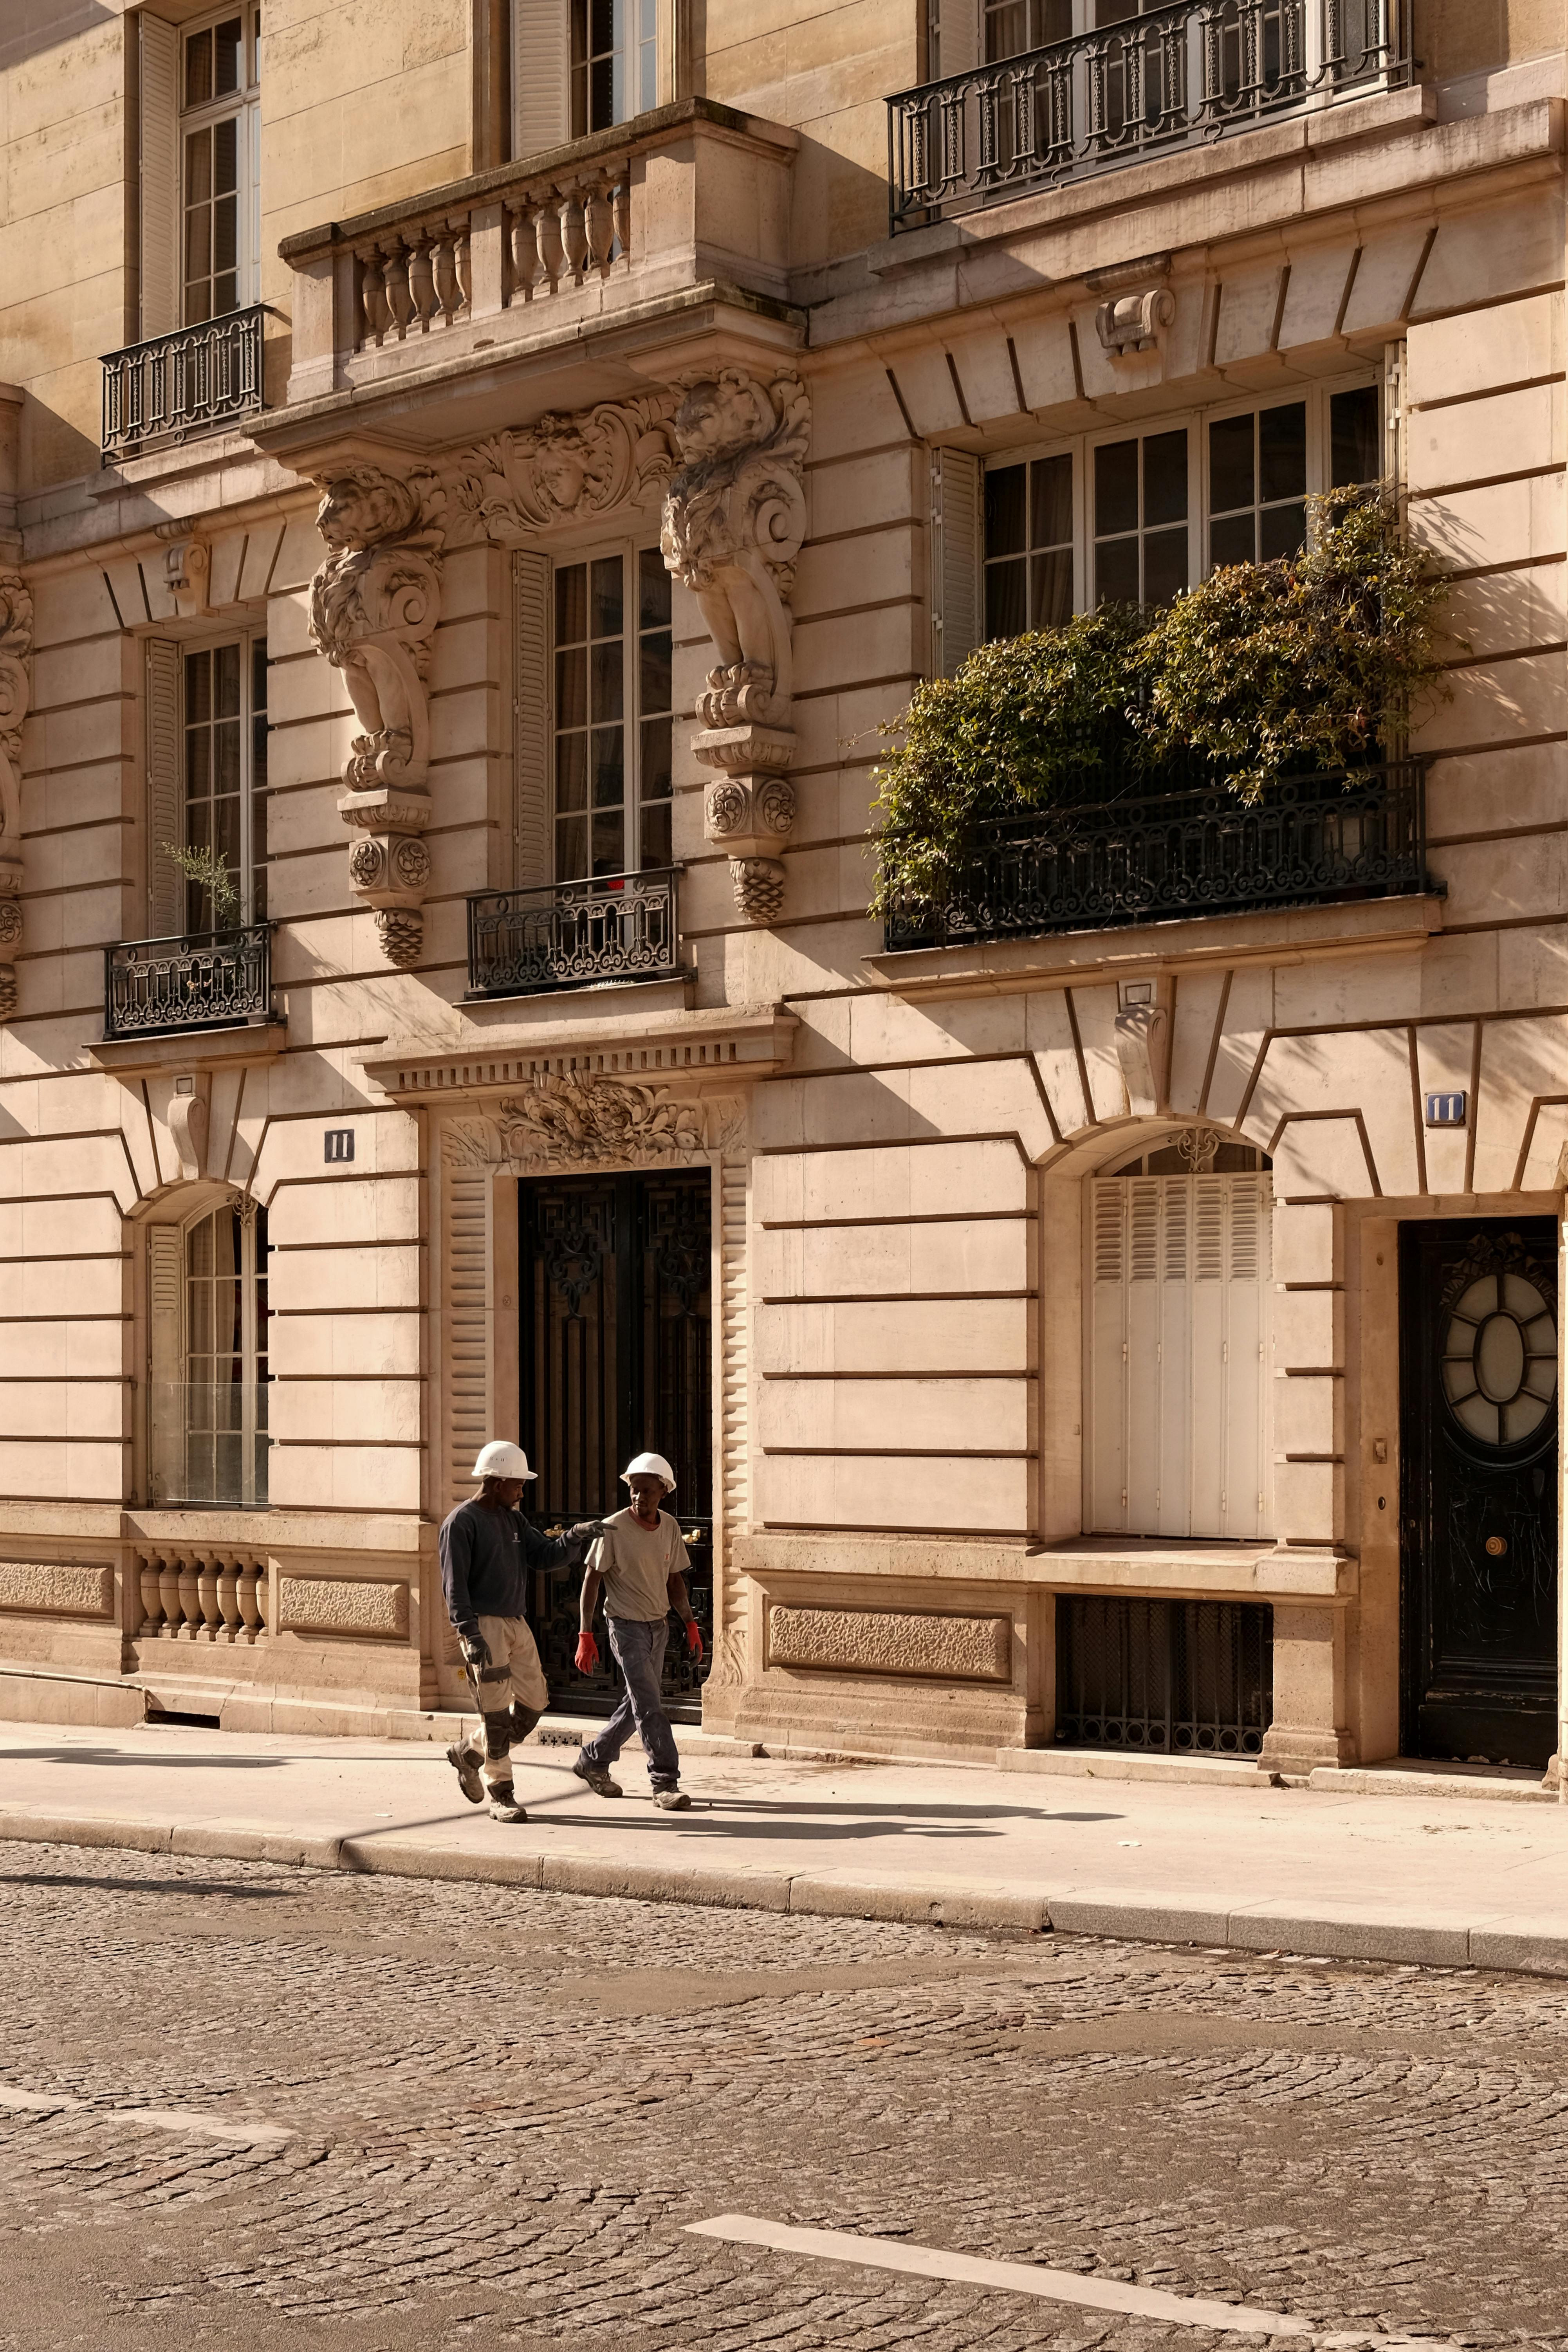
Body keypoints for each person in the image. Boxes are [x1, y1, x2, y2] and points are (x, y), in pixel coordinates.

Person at [439, 1441, 601, 1822]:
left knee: (534, 1703)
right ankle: (502, 1793)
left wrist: (574, 1536)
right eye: (518, 1483)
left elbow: (544, 1556)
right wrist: (471, 1635)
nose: (522, 1490)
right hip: (483, 1626)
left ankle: (470, 1752)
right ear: (497, 1482)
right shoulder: (461, 1523)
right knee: (496, 1714)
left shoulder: (513, 1520)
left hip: (516, 1621)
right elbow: (454, 1586)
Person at [571, 1452, 703, 1811]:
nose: (638, 1497)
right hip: (624, 1626)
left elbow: (675, 1580)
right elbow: (591, 1581)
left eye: (646, 1490)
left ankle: (593, 1761)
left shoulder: (671, 1527)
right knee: (649, 1705)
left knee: (637, 1703)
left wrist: (690, 1623)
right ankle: (664, 1781)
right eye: (633, 1490)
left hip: (657, 1626)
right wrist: (586, 1635)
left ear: (664, 1491)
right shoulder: (613, 1528)